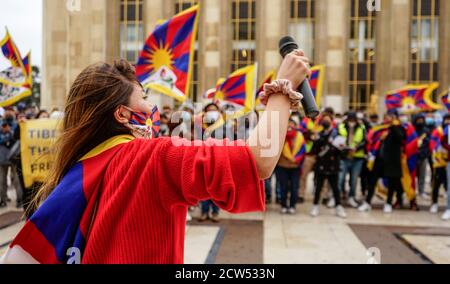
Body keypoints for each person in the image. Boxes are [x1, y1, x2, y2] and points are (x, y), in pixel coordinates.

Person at [1, 51, 311, 264]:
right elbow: (259, 161)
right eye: (145, 98)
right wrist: (282, 89)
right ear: (122, 114)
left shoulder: (75, 172)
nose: (152, 108)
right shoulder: (156, 156)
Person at [358, 111, 405, 214]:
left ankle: (388, 203)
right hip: (378, 160)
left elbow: (401, 139)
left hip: (392, 161)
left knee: (392, 183)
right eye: (386, 116)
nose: (387, 118)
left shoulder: (399, 128)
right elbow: (372, 139)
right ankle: (367, 202)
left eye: (390, 117)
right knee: (372, 182)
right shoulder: (380, 128)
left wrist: (393, 126)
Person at [309, 114, 347, 218]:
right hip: (321, 164)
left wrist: (342, 148)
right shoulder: (319, 134)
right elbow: (314, 150)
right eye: (324, 120)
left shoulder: (336, 134)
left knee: (335, 188)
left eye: (327, 120)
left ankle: (339, 207)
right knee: (318, 187)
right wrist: (315, 140)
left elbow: (342, 153)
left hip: (333, 164)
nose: (325, 122)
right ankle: (315, 205)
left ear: (331, 121)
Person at [337, 111, 367, 208]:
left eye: (353, 120)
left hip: (357, 157)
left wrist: (357, 148)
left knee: (354, 180)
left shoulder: (362, 127)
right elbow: (337, 138)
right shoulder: (341, 126)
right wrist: (342, 146)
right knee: (341, 178)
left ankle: (351, 196)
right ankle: (339, 196)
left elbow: (365, 141)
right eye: (350, 120)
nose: (352, 122)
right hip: (344, 156)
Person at [277, 118, 304, 214]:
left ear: (295, 126)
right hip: (282, 166)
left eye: (292, 124)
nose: (290, 126)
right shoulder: (280, 136)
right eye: (288, 124)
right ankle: (283, 205)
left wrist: (296, 159)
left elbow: (302, 149)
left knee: (294, 187)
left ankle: (292, 205)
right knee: (283, 187)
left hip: (295, 167)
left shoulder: (300, 136)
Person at [429, 114, 450, 214]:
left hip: (448, 161)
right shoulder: (438, 130)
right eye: (446, 119)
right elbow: (432, 143)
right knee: (436, 184)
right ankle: (434, 203)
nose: (448, 122)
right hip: (438, 161)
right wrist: (435, 152)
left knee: (448, 184)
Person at [413, 114, 432, 199]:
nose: (420, 121)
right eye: (418, 119)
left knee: (422, 175)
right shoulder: (412, 130)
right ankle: (412, 191)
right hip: (413, 156)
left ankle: (421, 191)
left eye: (421, 119)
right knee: (412, 174)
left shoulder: (426, 130)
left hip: (423, 156)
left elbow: (429, 143)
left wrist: (425, 152)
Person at [0, 122, 14, 208]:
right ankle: (3, 199)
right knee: (2, 181)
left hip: (12, 160)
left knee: (15, 181)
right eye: (3, 126)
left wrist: (9, 133)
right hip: (2, 160)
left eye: (6, 126)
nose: (5, 128)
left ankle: (19, 199)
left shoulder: (13, 131)